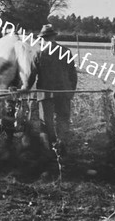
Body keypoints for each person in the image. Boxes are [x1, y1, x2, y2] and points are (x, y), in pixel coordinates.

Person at [27, 24, 77, 157]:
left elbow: (32, 75)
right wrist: (71, 91)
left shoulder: (38, 53)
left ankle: (50, 147)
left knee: (46, 121)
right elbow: (73, 75)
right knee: (63, 118)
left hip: (45, 92)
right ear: (54, 36)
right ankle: (62, 144)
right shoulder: (66, 51)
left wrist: (25, 88)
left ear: (42, 38)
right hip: (64, 92)